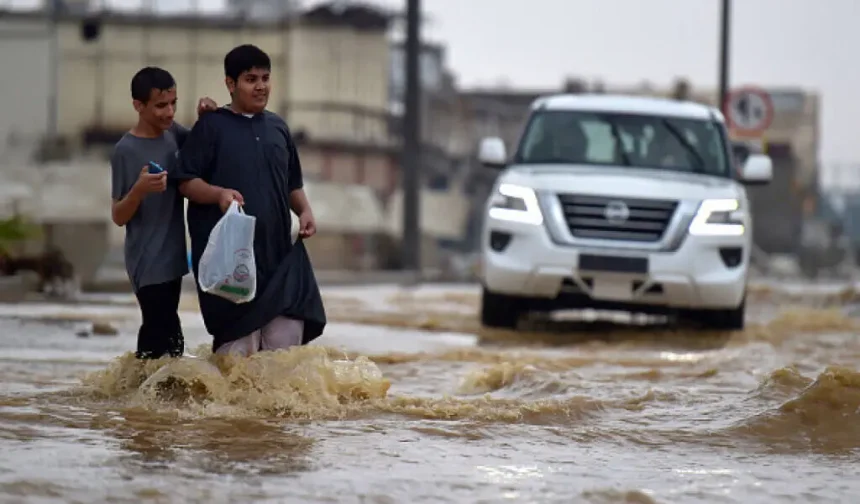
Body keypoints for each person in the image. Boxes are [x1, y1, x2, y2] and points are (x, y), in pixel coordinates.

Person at [174, 44, 327, 357]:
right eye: (250, 79)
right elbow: (186, 182)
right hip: (232, 263)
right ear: (230, 84)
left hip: (278, 261)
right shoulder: (211, 127)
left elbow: (292, 183)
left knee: (283, 361)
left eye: (265, 78)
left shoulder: (278, 128)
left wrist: (305, 210)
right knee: (235, 364)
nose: (260, 86)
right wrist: (218, 194)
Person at [110, 66, 217, 359]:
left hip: (173, 258)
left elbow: (202, 146)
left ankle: (134, 394)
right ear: (138, 105)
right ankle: (150, 394)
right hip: (145, 260)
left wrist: (206, 118)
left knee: (158, 335)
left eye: (173, 103)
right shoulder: (126, 150)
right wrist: (140, 189)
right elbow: (118, 216)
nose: (169, 112)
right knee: (170, 337)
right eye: (160, 106)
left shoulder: (173, 134)